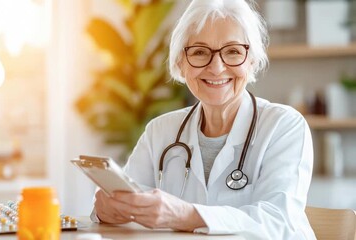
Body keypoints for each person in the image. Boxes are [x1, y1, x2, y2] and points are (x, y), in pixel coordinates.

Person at [92, 0, 316, 239]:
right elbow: (124, 203)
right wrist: (107, 210)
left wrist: (186, 215)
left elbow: (277, 221)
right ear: (180, 62)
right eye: (200, 52)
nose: (217, 68)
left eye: (232, 51)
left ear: (251, 60)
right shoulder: (161, 131)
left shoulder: (284, 126)